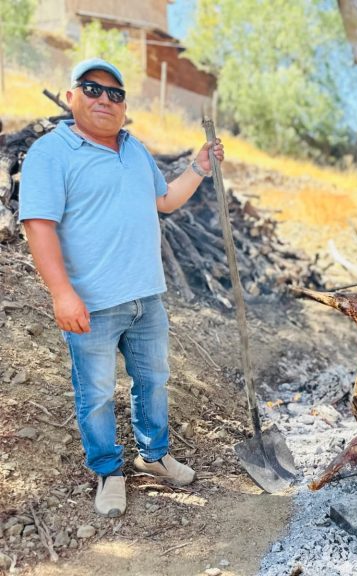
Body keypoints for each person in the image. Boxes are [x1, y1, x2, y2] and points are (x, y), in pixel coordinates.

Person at [19, 58, 224, 517]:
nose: (104, 100)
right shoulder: (51, 153)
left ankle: (153, 457)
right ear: (72, 96)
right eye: (92, 89)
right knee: (95, 393)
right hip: (92, 302)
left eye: (115, 93)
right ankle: (109, 472)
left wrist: (200, 166)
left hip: (146, 297)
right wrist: (61, 293)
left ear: (125, 106)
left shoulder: (135, 150)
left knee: (152, 381)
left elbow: (165, 200)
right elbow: (39, 225)